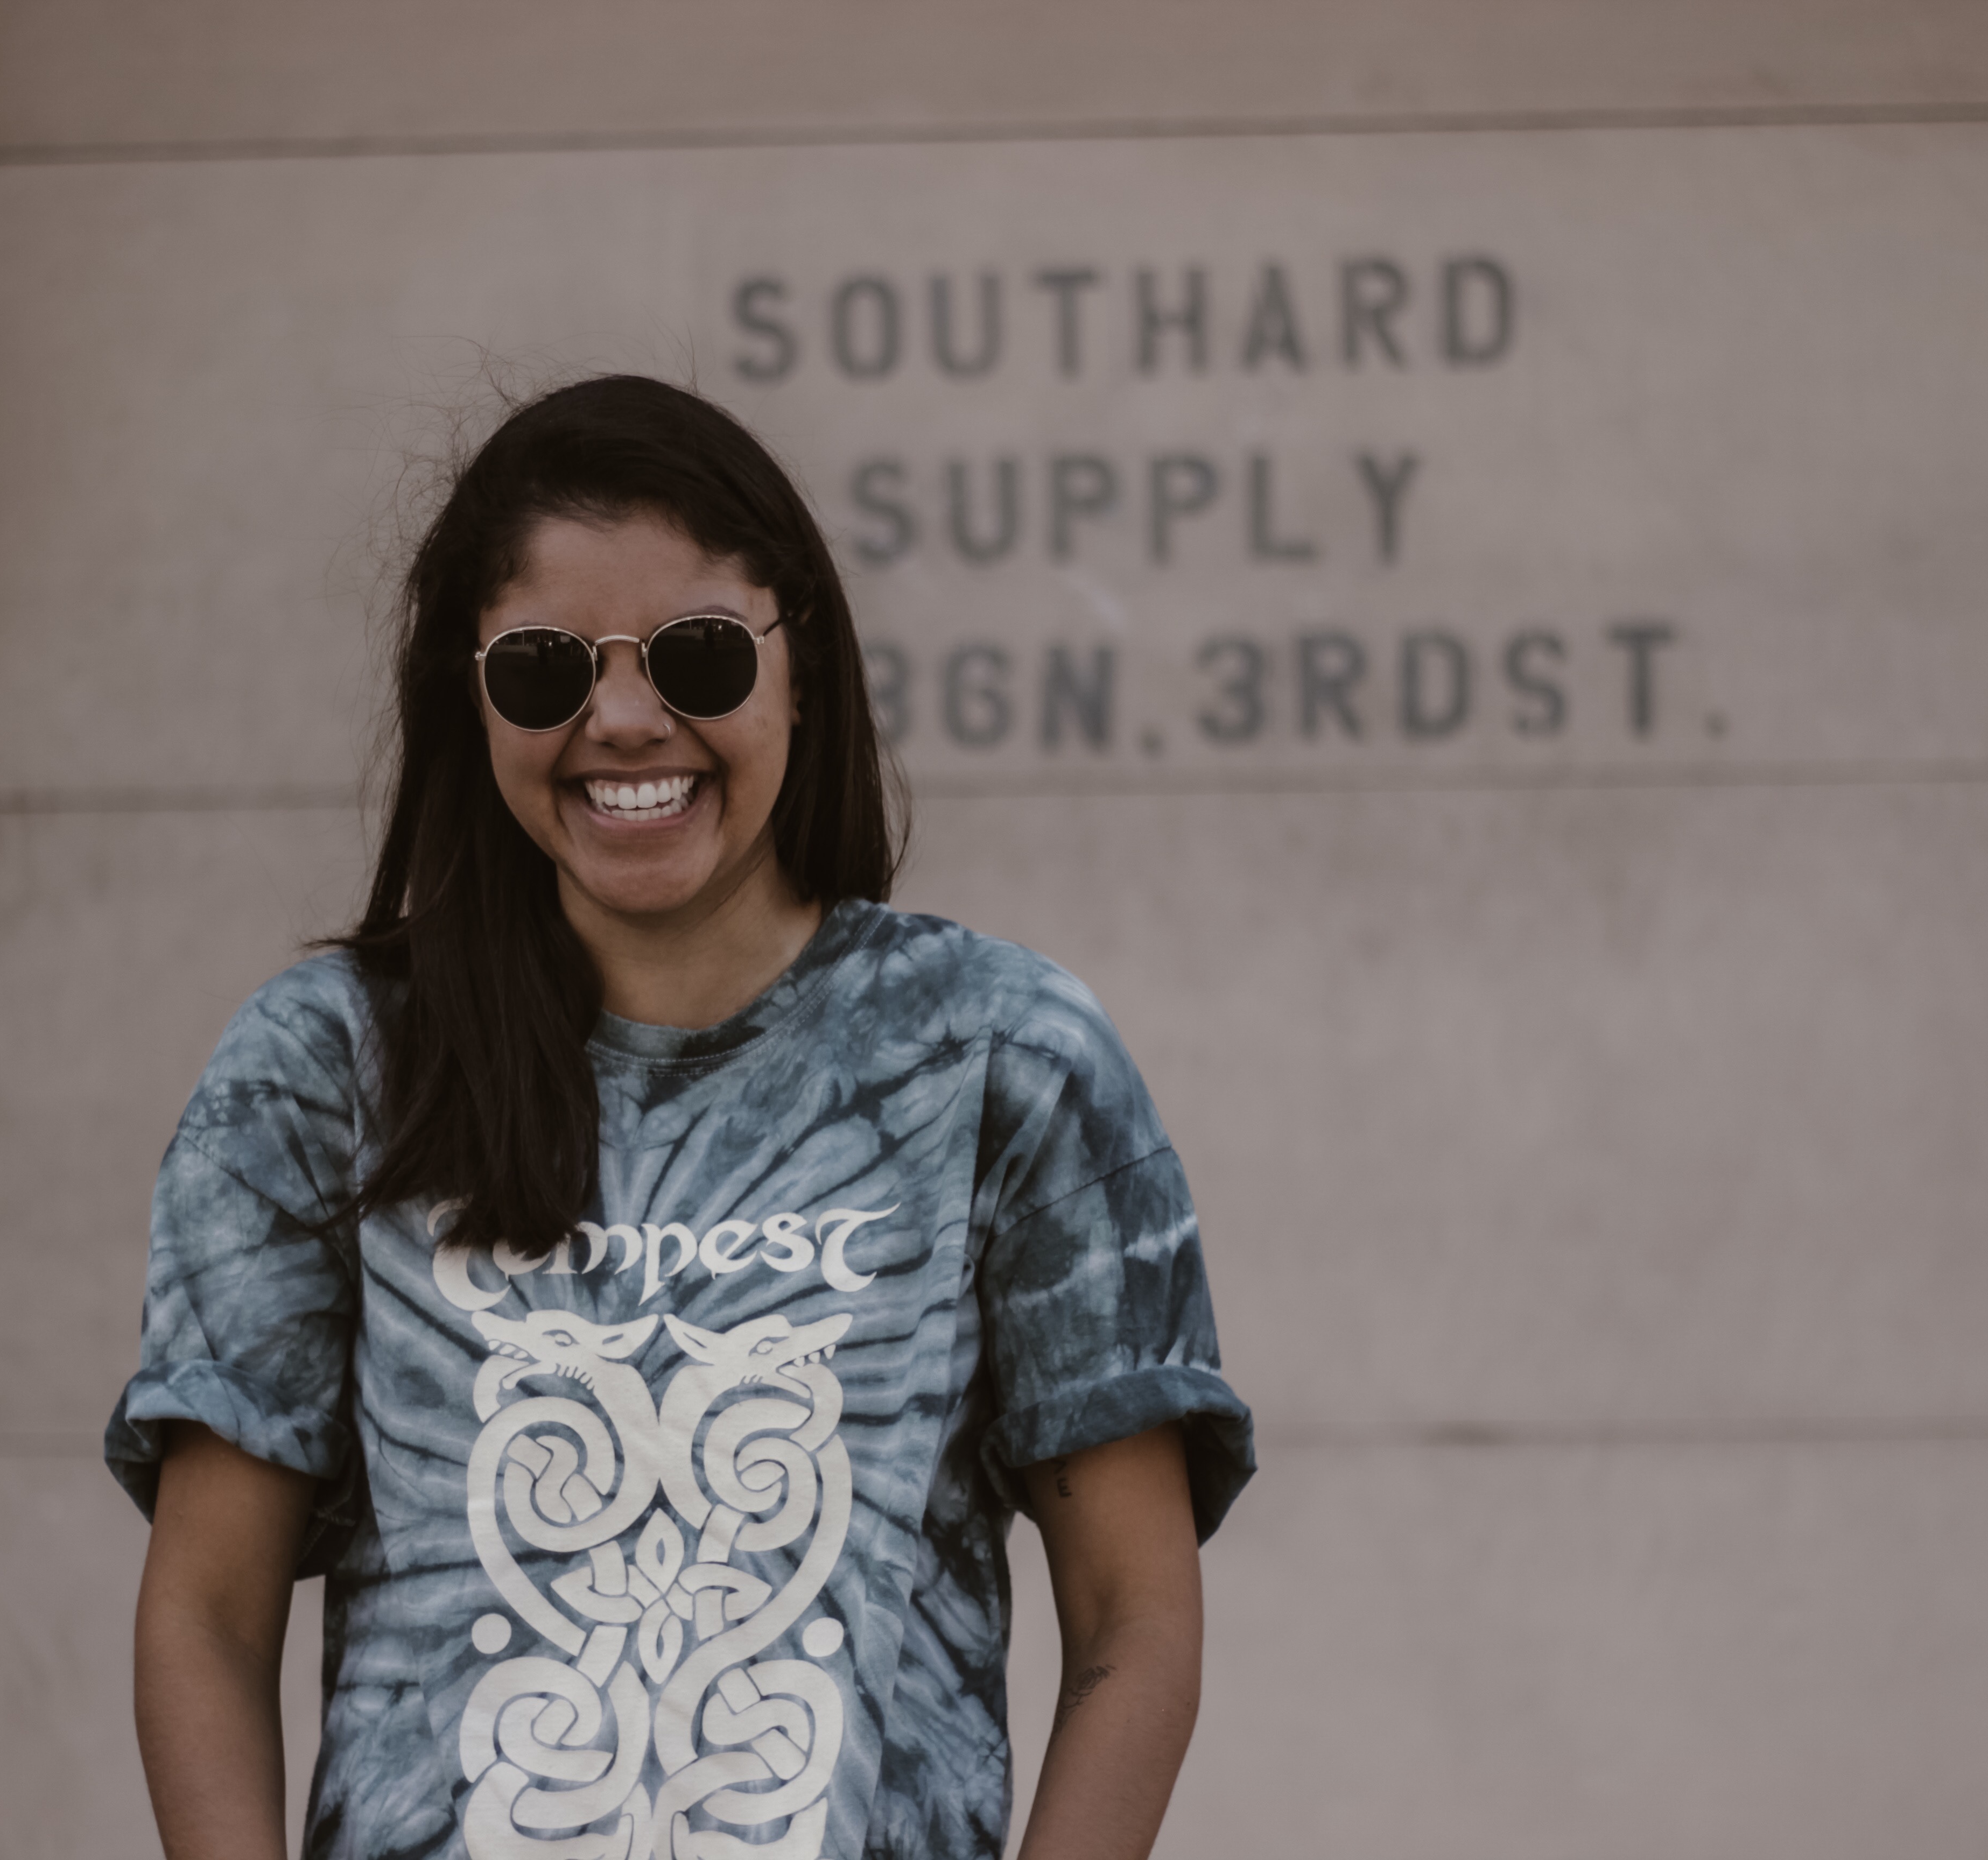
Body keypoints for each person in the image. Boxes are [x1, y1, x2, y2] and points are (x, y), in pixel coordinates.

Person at [106, 375, 1253, 1860]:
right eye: (544, 670)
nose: (627, 720)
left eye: (697, 655)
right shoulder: (321, 1070)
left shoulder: (1001, 1056)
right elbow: (205, 1615)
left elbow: (1134, 1618)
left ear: (801, 669)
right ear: (471, 698)